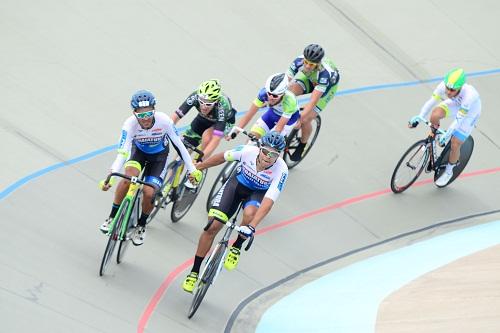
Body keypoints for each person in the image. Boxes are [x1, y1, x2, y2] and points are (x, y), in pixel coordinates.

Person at [182, 131, 289, 293]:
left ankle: (237, 245)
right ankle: (194, 272)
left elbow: (268, 202)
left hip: (257, 194)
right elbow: (221, 157)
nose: (268, 157)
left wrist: (251, 227)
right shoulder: (247, 151)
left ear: (278, 155)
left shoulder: (281, 170)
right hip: (236, 186)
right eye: (266, 151)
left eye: (273, 154)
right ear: (260, 148)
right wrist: (199, 167)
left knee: (249, 214)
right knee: (212, 227)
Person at [99, 90, 202, 245]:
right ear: (134, 113)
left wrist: (192, 170)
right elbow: (123, 152)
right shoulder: (129, 124)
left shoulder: (165, 121)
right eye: (141, 115)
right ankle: (112, 217)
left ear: (155, 109)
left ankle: (141, 225)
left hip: (159, 158)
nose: (145, 118)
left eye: (149, 113)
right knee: (127, 180)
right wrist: (111, 176)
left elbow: (180, 147)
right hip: (138, 153)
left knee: (149, 192)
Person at [408, 68, 481, 186]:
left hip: (469, 113)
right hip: (455, 104)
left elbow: (459, 119)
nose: (448, 92)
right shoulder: (444, 85)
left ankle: (448, 171)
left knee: (455, 142)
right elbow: (431, 101)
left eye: (452, 90)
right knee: (435, 115)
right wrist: (419, 116)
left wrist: (447, 135)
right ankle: (434, 138)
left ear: (461, 87)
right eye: (447, 88)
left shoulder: (469, 95)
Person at [287, 43, 340, 161]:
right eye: (306, 62)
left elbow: (312, 102)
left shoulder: (325, 74)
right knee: (289, 92)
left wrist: (300, 118)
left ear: (318, 64)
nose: (307, 66)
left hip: (327, 88)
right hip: (311, 78)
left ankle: (302, 144)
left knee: (305, 119)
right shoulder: (298, 61)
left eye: (311, 64)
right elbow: (285, 83)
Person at [171, 79, 237, 160]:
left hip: (224, 122)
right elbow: (175, 116)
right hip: (204, 118)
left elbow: (216, 139)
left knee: (207, 137)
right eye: (201, 102)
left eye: (208, 103)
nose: (204, 106)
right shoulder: (195, 96)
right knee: (180, 153)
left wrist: (201, 159)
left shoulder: (222, 106)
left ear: (216, 101)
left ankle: (200, 164)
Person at [228, 72, 300, 140]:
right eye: (269, 93)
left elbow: (279, 128)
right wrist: (236, 131)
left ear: (283, 94)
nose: (270, 97)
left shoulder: (290, 101)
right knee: (252, 138)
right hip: (272, 114)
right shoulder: (263, 93)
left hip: (288, 120)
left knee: (270, 143)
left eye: (275, 96)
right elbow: (249, 115)